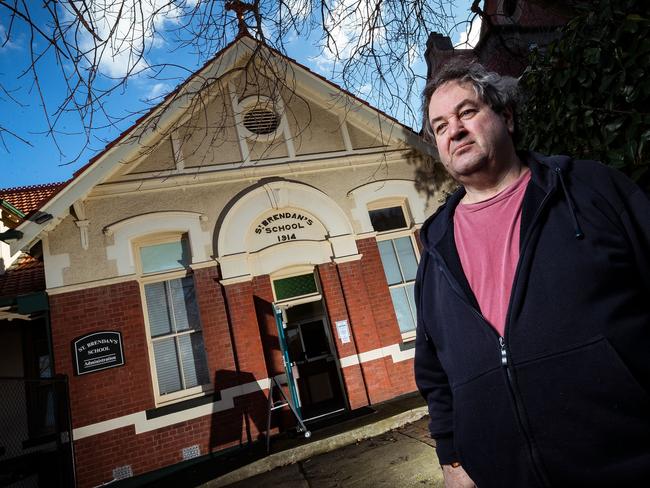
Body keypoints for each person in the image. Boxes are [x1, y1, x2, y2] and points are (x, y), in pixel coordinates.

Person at [414, 58, 650, 488]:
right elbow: (435, 374)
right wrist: (452, 460)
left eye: (467, 112)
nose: (456, 130)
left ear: (506, 116)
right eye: (441, 126)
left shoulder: (589, 189)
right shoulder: (434, 250)